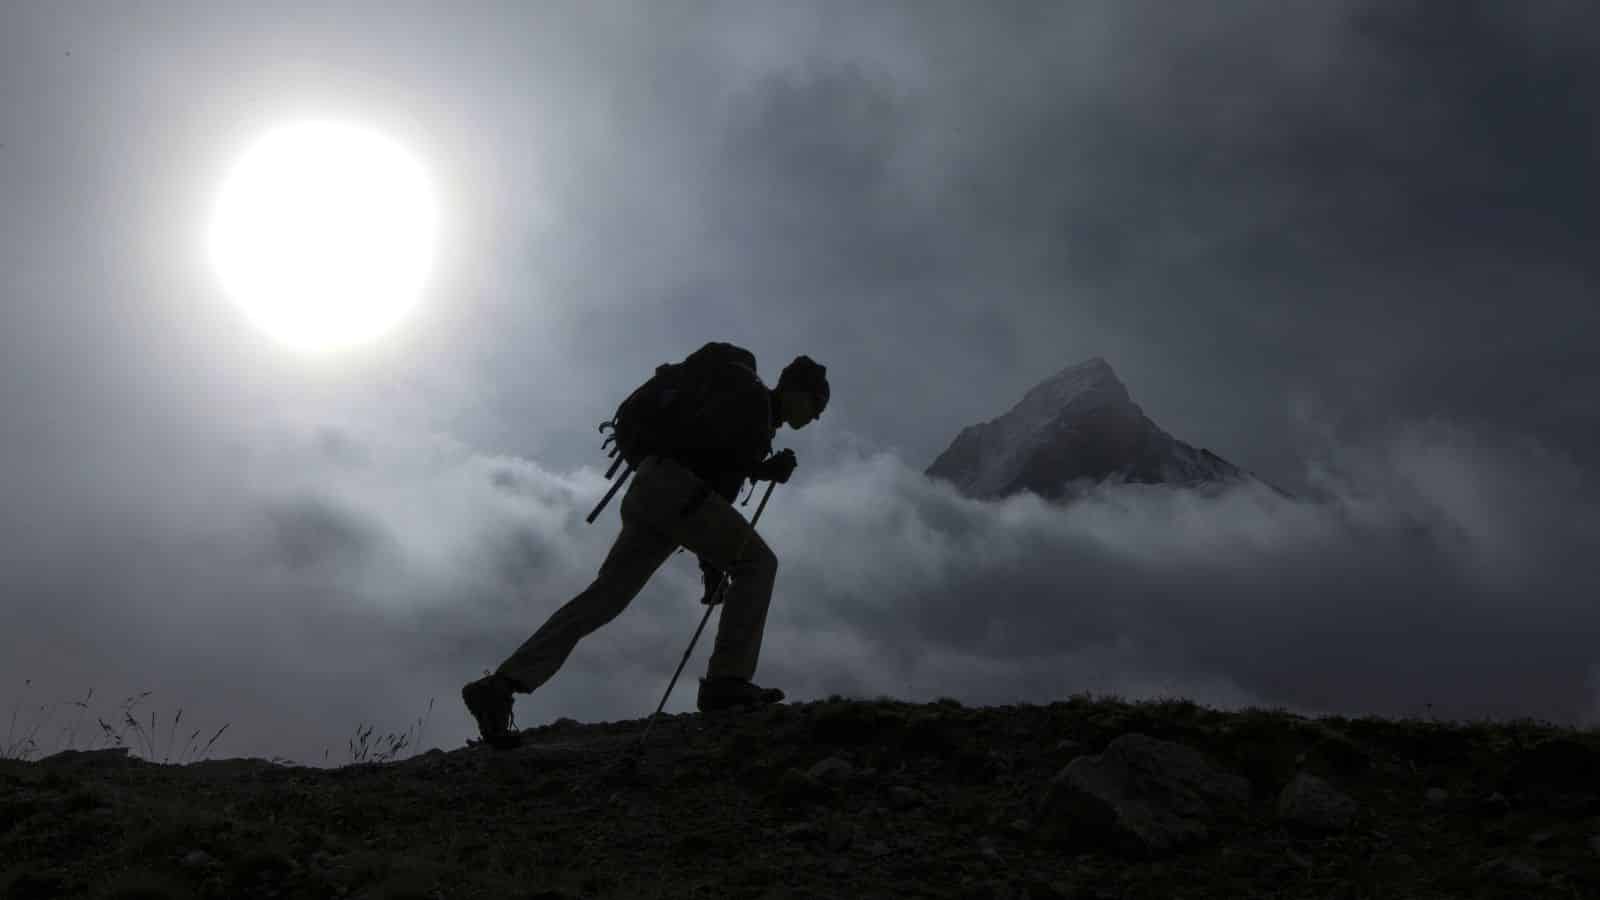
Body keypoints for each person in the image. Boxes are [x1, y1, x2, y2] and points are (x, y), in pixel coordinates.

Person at [462, 349, 830, 748]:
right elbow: (716, 464)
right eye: (814, 403)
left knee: (606, 597)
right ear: (794, 390)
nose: (814, 416)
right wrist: (763, 471)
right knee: (759, 563)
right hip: (675, 488)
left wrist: (751, 482)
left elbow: (713, 462)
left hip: (651, 486)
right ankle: (728, 681)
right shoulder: (754, 400)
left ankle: (501, 685)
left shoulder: (743, 396)